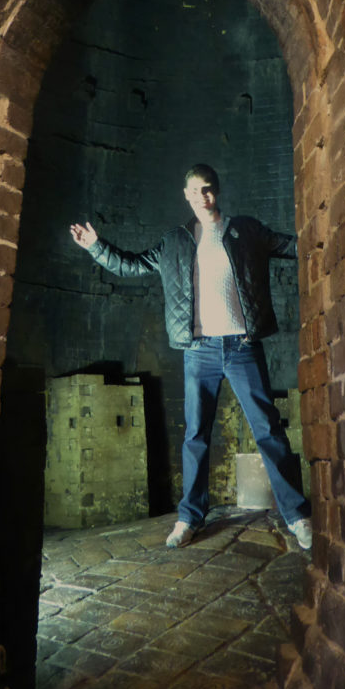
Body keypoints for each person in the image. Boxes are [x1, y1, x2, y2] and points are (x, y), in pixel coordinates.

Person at [70, 163, 313, 550]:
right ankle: (190, 518)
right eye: (195, 190)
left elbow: (295, 245)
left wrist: (332, 230)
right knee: (196, 436)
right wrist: (96, 247)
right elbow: (132, 265)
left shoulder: (247, 230)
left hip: (243, 347)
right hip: (199, 351)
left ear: (217, 190)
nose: (203, 196)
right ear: (186, 196)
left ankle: (297, 516)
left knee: (268, 431)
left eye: (209, 188)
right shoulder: (175, 242)